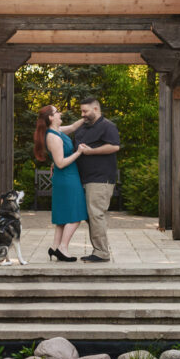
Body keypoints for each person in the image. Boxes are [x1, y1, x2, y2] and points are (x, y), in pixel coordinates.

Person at [33, 104, 89, 262]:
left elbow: (73, 127)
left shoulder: (57, 131)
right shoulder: (53, 137)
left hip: (67, 177)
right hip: (67, 178)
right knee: (77, 215)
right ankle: (63, 248)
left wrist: (85, 117)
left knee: (63, 217)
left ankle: (55, 247)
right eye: (57, 112)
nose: (60, 113)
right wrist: (78, 152)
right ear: (51, 117)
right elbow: (60, 163)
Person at [73, 97, 120, 262]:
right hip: (83, 179)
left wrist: (91, 151)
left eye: (85, 111)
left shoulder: (108, 126)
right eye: (81, 111)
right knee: (90, 216)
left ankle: (102, 253)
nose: (82, 114)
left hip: (100, 179)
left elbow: (114, 146)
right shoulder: (82, 128)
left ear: (95, 109)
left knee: (96, 214)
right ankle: (99, 250)